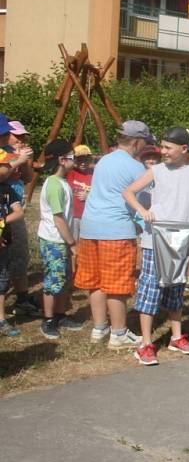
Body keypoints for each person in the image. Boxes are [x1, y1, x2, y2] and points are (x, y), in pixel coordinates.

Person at [123, 127, 189, 366]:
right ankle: (145, 344)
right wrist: (143, 211)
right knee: (150, 288)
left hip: (181, 240)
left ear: (184, 149)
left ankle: (176, 337)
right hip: (154, 240)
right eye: (162, 147)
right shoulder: (157, 170)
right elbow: (129, 192)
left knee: (176, 287)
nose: (162, 152)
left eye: (168, 148)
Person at [75, 120, 155, 349]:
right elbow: (143, 202)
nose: (145, 147)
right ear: (137, 141)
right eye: (145, 143)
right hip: (116, 230)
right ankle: (119, 333)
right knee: (117, 284)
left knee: (96, 281)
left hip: (89, 228)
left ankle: (100, 328)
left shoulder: (103, 161)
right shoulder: (136, 168)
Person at [37, 140, 85, 340]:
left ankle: (60, 314)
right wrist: (72, 243)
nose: (74, 160)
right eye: (72, 156)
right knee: (53, 281)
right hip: (54, 241)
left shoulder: (63, 182)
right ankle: (48, 320)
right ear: (61, 160)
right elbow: (58, 218)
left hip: (62, 240)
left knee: (64, 279)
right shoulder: (54, 184)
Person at [5, 120, 38, 316]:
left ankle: (22, 297)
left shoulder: (19, 152)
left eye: (23, 136)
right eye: (18, 136)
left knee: (20, 253)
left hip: (17, 209)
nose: (22, 140)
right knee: (10, 253)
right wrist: (16, 160)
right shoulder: (4, 153)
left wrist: (26, 162)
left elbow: (27, 178)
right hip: (7, 210)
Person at [0, 149, 24, 336]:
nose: (8, 169)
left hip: (3, 242)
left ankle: (1, 319)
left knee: (2, 281)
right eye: (4, 165)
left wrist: (1, 222)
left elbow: (19, 212)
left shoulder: (7, 190)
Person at [65, 144, 94, 242]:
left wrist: (88, 196)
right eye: (80, 160)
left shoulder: (93, 174)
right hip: (73, 215)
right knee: (73, 241)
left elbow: (99, 193)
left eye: (86, 160)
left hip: (87, 216)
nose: (83, 163)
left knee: (85, 243)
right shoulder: (70, 172)